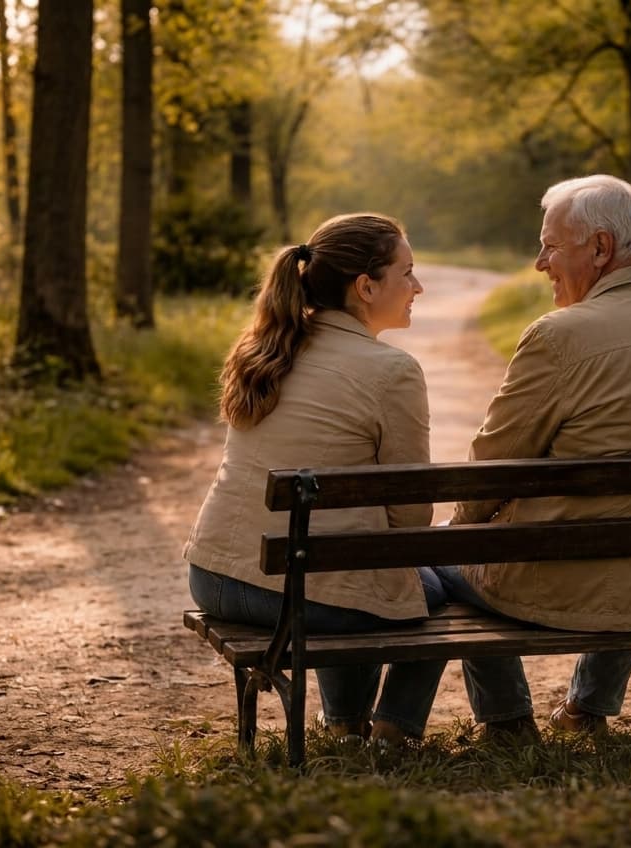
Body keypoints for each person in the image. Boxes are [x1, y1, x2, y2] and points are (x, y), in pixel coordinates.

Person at [436, 175, 631, 737]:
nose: (540, 263)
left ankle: (507, 719)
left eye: (551, 246)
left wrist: (463, 536)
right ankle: (586, 710)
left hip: (582, 580)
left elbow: (491, 468)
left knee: (446, 558)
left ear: (601, 248)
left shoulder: (561, 336)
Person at [184, 212, 445, 746]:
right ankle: (394, 729)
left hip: (213, 576)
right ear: (366, 287)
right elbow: (412, 517)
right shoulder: (391, 371)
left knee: (350, 566)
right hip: (297, 595)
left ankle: (346, 723)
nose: (417, 286)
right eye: (407, 272)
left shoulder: (262, 348)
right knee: (435, 587)